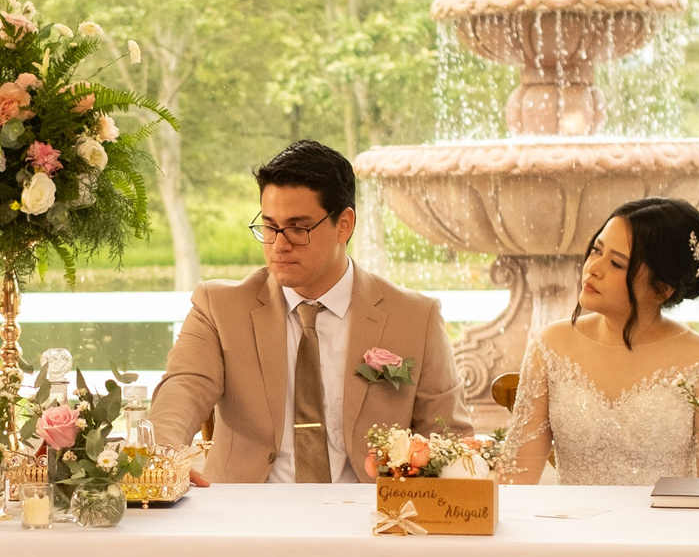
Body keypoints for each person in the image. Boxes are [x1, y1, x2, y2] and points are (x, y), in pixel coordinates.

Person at [151, 140, 467, 482]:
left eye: (298, 228)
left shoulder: (415, 317)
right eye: (270, 227)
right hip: (247, 520)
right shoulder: (220, 308)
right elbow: (182, 390)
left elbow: (448, 437)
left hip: (374, 519)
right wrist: (161, 458)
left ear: (344, 225)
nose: (279, 245)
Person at [507, 196, 699, 486]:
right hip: (569, 529)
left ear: (662, 289)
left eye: (616, 263)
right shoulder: (551, 346)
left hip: (667, 529)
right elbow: (514, 481)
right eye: (595, 250)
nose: (593, 268)